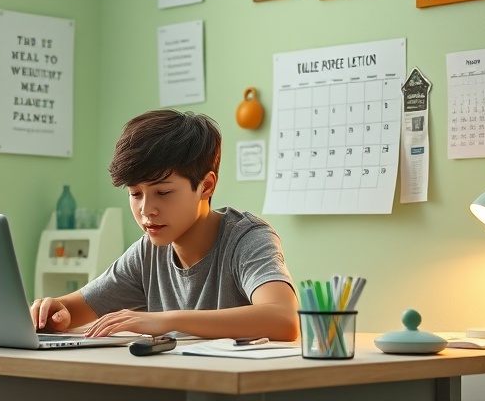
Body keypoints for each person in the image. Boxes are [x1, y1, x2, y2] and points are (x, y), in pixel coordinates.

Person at [30, 109, 300, 341]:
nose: (146, 210)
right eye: (135, 194)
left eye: (163, 192)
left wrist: (167, 320)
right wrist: (52, 311)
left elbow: (284, 318)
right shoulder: (147, 252)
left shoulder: (247, 238)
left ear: (206, 186)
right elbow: (71, 311)